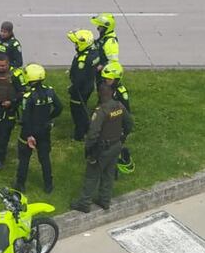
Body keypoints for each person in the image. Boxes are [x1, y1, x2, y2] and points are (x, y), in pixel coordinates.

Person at [72, 83, 134, 213]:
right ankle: (105, 201)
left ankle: (84, 203)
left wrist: (89, 150)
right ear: (112, 93)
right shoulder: (119, 106)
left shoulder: (101, 111)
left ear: (99, 93)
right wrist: (122, 137)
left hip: (101, 149)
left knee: (91, 176)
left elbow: (93, 133)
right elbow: (129, 124)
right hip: (116, 145)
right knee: (108, 174)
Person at [15, 64, 62, 193]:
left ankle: (20, 184)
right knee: (45, 159)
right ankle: (48, 185)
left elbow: (25, 118)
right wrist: (49, 117)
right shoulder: (50, 91)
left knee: (24, 159)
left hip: (29, 132)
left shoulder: (28, 97)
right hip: (45, 131)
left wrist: (29, 135)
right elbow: (59, 107)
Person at [67, 29, 101, 141]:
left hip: (80, 90)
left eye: (77, 43)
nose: (75, 45)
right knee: (83, 108)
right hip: (89, 85)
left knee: (77, 111)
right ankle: (87, 128)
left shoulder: (83, 60)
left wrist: (72, 89)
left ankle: (79, 135)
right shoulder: (94, 52)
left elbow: (79, 80)